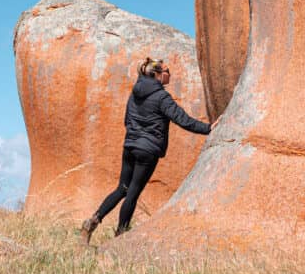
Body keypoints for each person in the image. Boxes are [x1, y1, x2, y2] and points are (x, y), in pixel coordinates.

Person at [80, 57, 213, 243]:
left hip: (130, 146)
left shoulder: (134, 93)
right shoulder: (161, 97)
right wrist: (209, 128)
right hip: (147, 150)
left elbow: (127, 119)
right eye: (167, 72)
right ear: (157, 74)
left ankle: (92, 222)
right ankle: (120, 237)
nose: (170, 75)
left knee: (122, 189)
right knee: (133, 193)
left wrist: (135, 135)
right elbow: (182, 119)